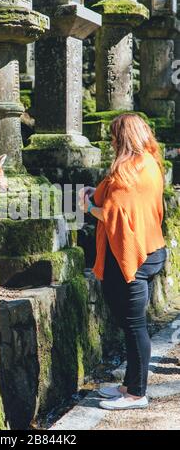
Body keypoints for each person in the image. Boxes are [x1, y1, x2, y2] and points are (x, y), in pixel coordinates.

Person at [79, 114, 167, 410]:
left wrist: (89, 207)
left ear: (123, 138)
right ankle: (129, 384)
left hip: (133, 255)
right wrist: (99, 194)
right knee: (130, 323)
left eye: (114, 136)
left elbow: (112, 214)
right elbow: (125, 202)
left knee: (134, 325)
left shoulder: (126, 172)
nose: (112, 141)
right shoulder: (151, 163)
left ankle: (137, 394)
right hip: (151, 248)